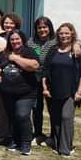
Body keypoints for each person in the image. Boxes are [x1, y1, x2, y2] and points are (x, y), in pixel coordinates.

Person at [42, 23, 81, 158]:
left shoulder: (78, 50)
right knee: (56, 119)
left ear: (72, 34)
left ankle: (65, 149)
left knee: (66, 117)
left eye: (67, 33)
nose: (64, 36)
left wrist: (80, 91)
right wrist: (45, 88)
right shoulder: (53, 50)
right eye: (61, 33)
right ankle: (59, 145)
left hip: (71, 91)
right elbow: (45, 70)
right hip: (53, 91)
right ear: (58, 34)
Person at [0, 30, 40, 155]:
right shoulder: (4, 53)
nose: (15, 41)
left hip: (26, 92)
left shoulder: (28, 52)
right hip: (8, 92)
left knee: (22, 115)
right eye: (12, 39)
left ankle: (26, 142)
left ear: (22, 39)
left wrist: (15, 58)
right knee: (12, 116)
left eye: (17, 39)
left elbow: (34, 65)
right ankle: (14, 140)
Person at [26, 16, 57, 144]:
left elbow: (74, 41)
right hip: (34, 78)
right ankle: (37, 133)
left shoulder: (55, 41)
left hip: (51, 79)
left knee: (53, 108)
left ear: (49, 28)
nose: (42, 30)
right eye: (39, 27)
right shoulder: (31, 42)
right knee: (36, 108)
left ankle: (54, 136)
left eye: (45, 27)